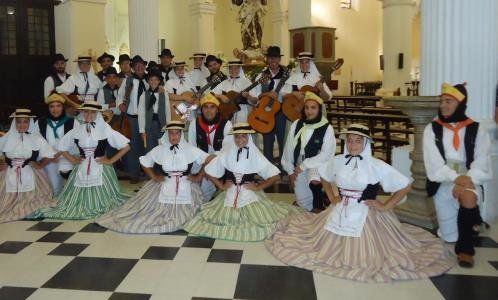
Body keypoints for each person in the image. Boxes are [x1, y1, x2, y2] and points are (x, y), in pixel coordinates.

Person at [266, 123, 455, 283]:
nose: (353, 144)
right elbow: (323, 175)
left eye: (357, 140)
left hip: (367, 213)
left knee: (371, 253)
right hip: (340, 209)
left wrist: (386, 205)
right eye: (349, 140)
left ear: (365, 143)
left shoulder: (375, 164)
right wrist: (332, 197)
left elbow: (405, 185)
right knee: (319, 242)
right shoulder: (338, 160)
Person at [184, 123, 301, 241]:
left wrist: (258, 187)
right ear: (233, 138)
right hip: (229, 192)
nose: (240, 140)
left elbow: (276, 176)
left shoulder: (255, 154)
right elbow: (208, 169)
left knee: (260, 218)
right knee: (217, 218)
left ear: (248, 137)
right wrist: (221, 186)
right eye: (237, 137)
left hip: (249, 193)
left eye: (243, 136)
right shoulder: (227, 153)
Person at [96, 121, 211, 233]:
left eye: (177, 133)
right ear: (167, 134)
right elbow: (145, 162)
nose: (174, 136)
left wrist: (199, 176)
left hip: (186, 185)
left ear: (181, 134)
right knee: (148, 210)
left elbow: (210, 159)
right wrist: (154, 177)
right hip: (164, 183)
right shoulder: (160, 149)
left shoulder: (190, 149)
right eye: (171, 133)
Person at [423, 82, 492, 268]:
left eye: (449, 101)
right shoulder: (432, 129)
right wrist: (455, 178)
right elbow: (434, 162)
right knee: (449, 236)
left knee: (468, 197)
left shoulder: (477, 129)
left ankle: (466, 250)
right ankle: (471, 221)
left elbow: (482, 159)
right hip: (444, 181)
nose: (443, 105)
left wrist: (465, 181)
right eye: (441, 101)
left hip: (469, 179)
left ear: (461, 103)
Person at [37, 101, 130, 220]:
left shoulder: (105, 129)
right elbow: (62, 147)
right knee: (74, 198)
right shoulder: (78, 129)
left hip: (101, 167)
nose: (89, 115)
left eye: (92, 112)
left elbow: (126, 147)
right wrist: (72, 159)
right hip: (81, 166)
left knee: (106, 197)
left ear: (98, 113)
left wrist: (110, 161)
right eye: (86, 112)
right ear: (82, 113)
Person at [281, 91, 335, 212]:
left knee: (314, 181)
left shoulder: (327, 127)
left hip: (317, 163)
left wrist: (304, 165)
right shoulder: (297, 124)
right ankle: (314, 203)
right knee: (304, 204)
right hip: (299, 163)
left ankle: (319, 205)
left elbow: (326, 154)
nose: (309, 111)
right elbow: (288, 148)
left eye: (313, 108)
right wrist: (290, 171)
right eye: (307, 108)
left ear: (319, 109)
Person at [0, 109, 56, 223]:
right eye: (19, 122)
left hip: (31, 173)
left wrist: (40, 164)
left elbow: (50, 155)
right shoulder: (5, 138)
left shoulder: (37, 139)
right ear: (14, 123)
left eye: (25, 122)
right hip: (8, 174)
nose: (22, 125)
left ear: (29, 123)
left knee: (36, 200)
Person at [187, 93, 233, 200]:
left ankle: (209, 193)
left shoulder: (227, 124)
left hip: (220, 161)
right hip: (201, 160)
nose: (209, 110)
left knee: (204, 189)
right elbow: (191, 147)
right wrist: (204, 165)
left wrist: (206, 169)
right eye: (206, 107)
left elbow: (226, 151)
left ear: (217, 109)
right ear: (202, 110)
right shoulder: (195, 123)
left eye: (212, 107)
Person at [36, 93, 79, 195]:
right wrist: (50, 155)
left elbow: (76, 142)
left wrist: (60, 153)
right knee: (53, 190)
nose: (55, 109)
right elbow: (37, 141)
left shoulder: (73, 122)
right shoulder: (40, 122)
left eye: (58, 106)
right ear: (48, 108)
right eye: (52, 106)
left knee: (66, 172)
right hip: (48, 158)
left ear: (63, 107)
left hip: (66, 156)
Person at [117, 55, 149, 183]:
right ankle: (134, 174)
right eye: (136, 65)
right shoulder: (128, 80)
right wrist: (120, 105)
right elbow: (119, 96)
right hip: (132, 119)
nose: (139, 67)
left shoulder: (149, 80)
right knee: (132, 147)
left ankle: (146, 172)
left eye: (142, 65)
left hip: (147, 119)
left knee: (146, 146)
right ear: (133, 68)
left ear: (145, 66)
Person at [254, 46, 289, 163]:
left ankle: (284, 167)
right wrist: (267, 94)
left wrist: (279, 95)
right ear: (267, 59)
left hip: (281, 113)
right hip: (266, 113)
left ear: (279, 59)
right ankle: (268, 167)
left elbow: (291, 93)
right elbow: (256, 95)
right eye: (270, 58)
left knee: (282, 140)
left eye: (275, 58)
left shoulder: (287, 75)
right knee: (267, 142)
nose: (273, 61)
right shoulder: (261, 75)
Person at [138, 70, 170, 152]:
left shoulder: (164, 93)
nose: (153, 82)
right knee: (150, 149)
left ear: (159, 81)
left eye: (156, 79)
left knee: (163, 148)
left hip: (162, 125)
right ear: (148, 81)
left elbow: (167, 110)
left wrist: (168, 126)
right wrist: (142, 130)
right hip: (149, 125)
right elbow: (141, 114)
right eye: (151, 80)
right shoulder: (144, 95)